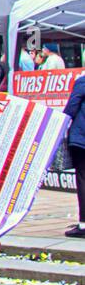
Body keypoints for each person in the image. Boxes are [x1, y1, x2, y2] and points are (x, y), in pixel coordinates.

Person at [63, 71, 85, 239]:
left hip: (82, 139)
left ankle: (84, 225)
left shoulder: (83, 81)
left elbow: (71, 108)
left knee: (83, 180)